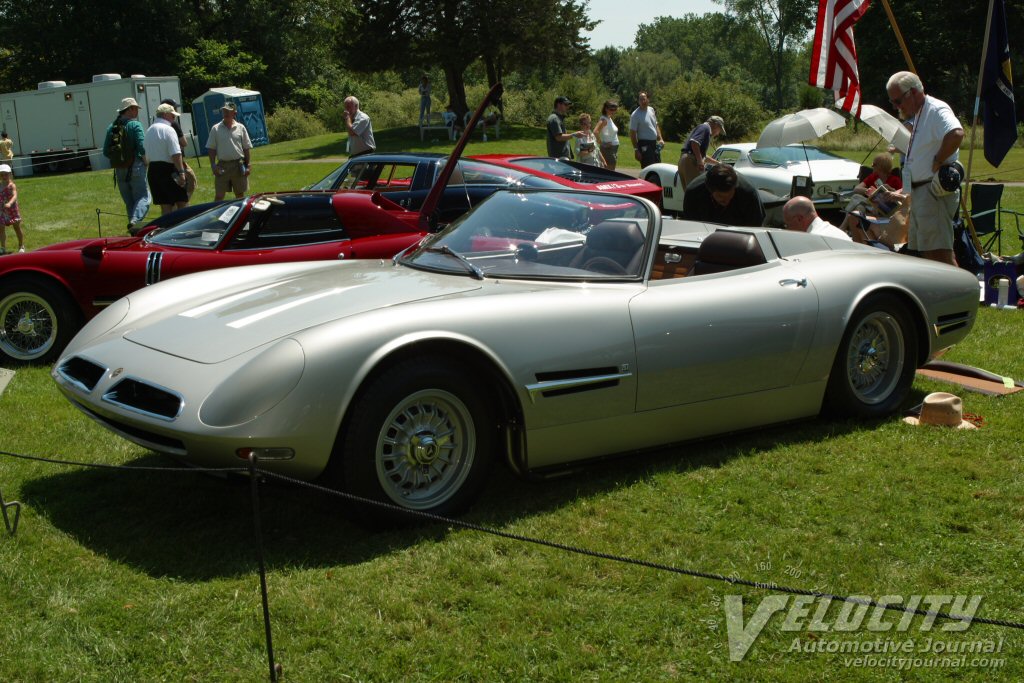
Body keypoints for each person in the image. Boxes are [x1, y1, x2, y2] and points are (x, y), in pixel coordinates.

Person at [886, 70, 964, 266]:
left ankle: (958, 293)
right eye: (893, 102)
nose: (897, 106)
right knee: (928, 253)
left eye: (898, 101)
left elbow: (956, 133)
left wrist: (938, 160)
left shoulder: (936, 110)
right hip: (921, 193)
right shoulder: (919, 114)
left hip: (932, 193)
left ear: (912, 92)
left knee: (940, 254)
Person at [102, 97, 150, 233]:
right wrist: (145, 160)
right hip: (136, 166)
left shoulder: (111, 127)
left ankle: (134, 231)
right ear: (129, 109)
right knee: (144, 198)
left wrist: (119, 159)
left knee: (130, 202)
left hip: (119, 169)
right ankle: (135, 222)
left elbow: (106, 151)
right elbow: (142, 146)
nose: (136, 111)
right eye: (135, 108)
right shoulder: (135, 125)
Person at [840, 152, 904, 245]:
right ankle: (859, 240)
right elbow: (857, 188)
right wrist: (870, 191)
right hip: (873, 207)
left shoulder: (894, 180)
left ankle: (843, 228)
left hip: (887, 211)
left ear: (880, 167)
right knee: (858, 203)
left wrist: (892, 191)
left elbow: (902, 198)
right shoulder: (873, 177)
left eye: (874, 164)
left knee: (857, 203)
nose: (872, 166)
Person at [681, 164, 765, 227]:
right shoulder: (694, 193)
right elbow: (691, 227)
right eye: (721, 197)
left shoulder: (748, 194)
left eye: (730, 196)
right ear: (710, 190)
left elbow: (755, 226)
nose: (727, 201)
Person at [144, 102, 188, 216]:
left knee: (165, 207)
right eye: (172, 115)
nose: (174, 118)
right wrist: (182, 172)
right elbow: (176, 153)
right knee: (182, 202)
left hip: (153, 170)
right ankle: (182, 230)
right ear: (164, 115)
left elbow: (145, 154)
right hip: (169, 170)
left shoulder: (149, 130)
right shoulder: (169, 129)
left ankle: (166, 230)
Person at [207, 102, 253, 201]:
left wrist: (248, 164)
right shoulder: (215, 128)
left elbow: (246, 147)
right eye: (224, 111)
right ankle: (215, 216)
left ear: (234, 113)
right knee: (219, 195)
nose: (226, 113)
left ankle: (240, 215)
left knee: (240, 195)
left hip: (238, 165)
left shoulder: (241, 128)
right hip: (222, 166)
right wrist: (213, 165)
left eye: (228, 111)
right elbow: (211, 148)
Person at [160, 98, 196, 205]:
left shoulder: (156, 124)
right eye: (174, 107)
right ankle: (184, 203)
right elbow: (184, 142)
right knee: (191, 181)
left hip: (163, 161)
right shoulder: (174, 124)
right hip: (177, 159)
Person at [678, 116, 726, 188]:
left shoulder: (703, 128)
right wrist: (700, 161)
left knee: (689, 192)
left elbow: (703, 156)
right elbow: (694, 143)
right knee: (695, 190)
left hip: (686, 159)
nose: (717, 134)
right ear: (716, 125)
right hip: (690, 160)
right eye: (719, 130)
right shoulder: (705, 128)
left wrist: (718, 163)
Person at [783, 196, 852, 240]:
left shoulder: (813, 240)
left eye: (787, 224)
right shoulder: (836, 232)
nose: (787, 229)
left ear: (799, 219)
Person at [629, 91, 665, 167]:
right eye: (640, 99)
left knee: (657, 165)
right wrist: (636, 150)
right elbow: (632, 134)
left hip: (654, 144)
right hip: (644, 144)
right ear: (638, 101)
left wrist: (660, 139)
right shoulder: (635, 115)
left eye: (644, 99)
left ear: (648, 99)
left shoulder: (651, 110)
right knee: (648, 166)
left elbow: (655, 125)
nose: (642, 101)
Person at [0, 163, 24, 254]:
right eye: (1, 175)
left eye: (6, 174)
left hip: (12, 210)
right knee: (1, 228)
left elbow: (15, 196)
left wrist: (9, 203)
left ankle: (21, 246)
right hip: (2, 211)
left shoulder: (12, 185)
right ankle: (3, 248)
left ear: (10, 174)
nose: (4, 176)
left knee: (16, 228)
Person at [593, 100, 620, 170]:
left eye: (615, 109)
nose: (613, 111)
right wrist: (603, 144)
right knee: (609, 172)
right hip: (608, 149)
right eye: (611, 109)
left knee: (610, 171)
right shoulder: (604, 119)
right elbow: (595, 132)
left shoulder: (608, 118)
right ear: (606, 109)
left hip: (613, 149)